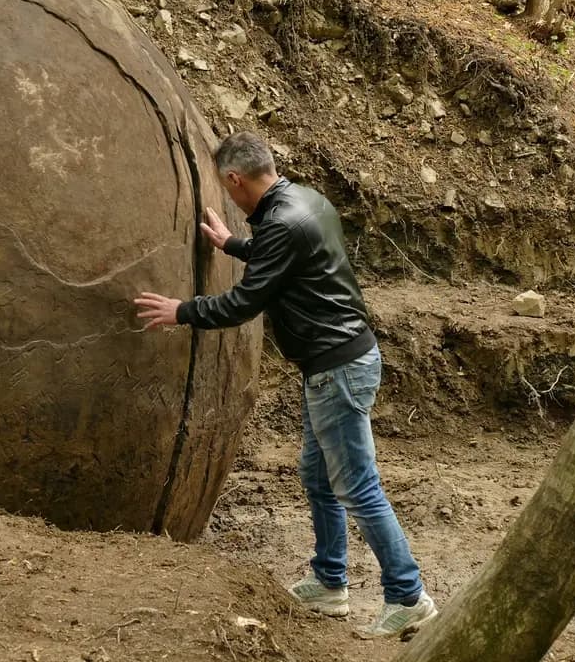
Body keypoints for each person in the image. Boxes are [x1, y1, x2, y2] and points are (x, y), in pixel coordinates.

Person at [134, 131, 437, 640]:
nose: (230, 198)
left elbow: (243, 303)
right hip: (341, 361)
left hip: (337, 369)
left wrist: (180, 311)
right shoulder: (305, 201)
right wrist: (233, 244)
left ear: (235, 179)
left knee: (358, 488)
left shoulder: (281, 224)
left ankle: (408, 596)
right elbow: (288, 256)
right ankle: (330, 582)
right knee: (318, 478)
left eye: (227, 189)